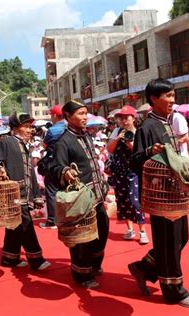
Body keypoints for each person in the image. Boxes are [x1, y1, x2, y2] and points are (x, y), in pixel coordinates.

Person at [128, 78, 189, 308]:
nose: (172, 100)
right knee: (169, 242)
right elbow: (135, 162)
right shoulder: (147, 127)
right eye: (167, 96)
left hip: (174, 192)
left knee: (181, 238)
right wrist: (150, 151)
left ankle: (144, 267)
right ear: (153, 99)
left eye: (173, 95)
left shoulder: (167, 123)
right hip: (159, 195)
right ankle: (174, 291)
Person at [49, 100, 109, 289]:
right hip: (81, 199)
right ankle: (81, 274)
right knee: (82, 238)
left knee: (102, 231)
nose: (85, 117)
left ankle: (94, 265)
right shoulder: (63, 142)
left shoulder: (87, 136)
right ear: (68, 116)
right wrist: (65, 171)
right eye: (80, 114)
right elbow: (54, 167)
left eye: (86, 113)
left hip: (97, 195)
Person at [0, 112, 51, 271]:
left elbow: (30, 172)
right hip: (13, 192)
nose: (30, 130)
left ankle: (9, 257)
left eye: (30, 126)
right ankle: (36, 259)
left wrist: (36, 194)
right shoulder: (7, 142)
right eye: (26, 126)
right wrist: (0, 170)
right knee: (26, 225)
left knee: (14, 226)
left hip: (26, 191)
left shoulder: (25, 144)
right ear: (16, 128)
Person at [107, 105, 148, 244]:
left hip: (133, 171)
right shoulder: (117, 131)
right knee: (122, 200)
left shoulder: (138, 132)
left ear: (133, 118)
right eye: (121, 118)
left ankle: (142, 231)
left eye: (127, 117)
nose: (124, 121)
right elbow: (110, 149)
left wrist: (128, 141)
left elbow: (137, 151)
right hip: (119, 171)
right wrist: (118, 138)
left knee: (135, 200)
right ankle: (130, 229)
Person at [39, 104, 66, 229]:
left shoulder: (52, 130)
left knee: (51, 192)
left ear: (55, 115)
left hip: (53, 164)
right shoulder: (69, 127)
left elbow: (44, 146)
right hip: (66, 164)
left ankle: (52, 220)